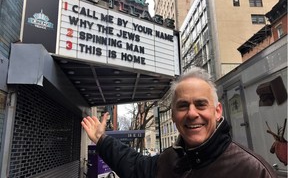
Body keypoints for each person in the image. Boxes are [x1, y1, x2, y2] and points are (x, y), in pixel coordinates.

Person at [81, 67, 277, 178]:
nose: (192, 114)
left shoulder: (255, 171)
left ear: (217, 111)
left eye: (201, 104)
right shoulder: (168, 161)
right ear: (173, 115)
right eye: (183, 106)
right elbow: (133, 166)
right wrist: (101, 139)